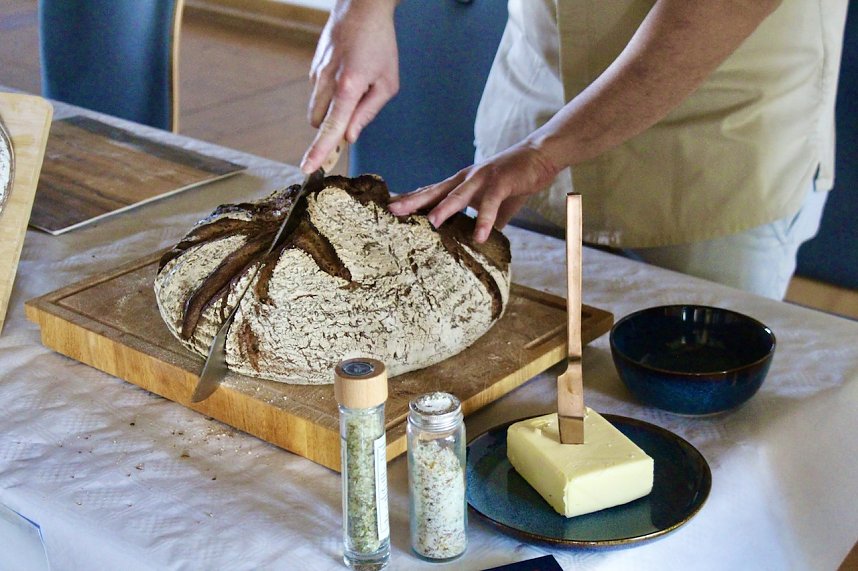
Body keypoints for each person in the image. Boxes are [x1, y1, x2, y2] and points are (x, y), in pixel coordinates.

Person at [301, 0, 849, 300]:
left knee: (690, 423)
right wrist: (363, 8)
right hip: (536, 98)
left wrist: (546, 152)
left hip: (714, 137)